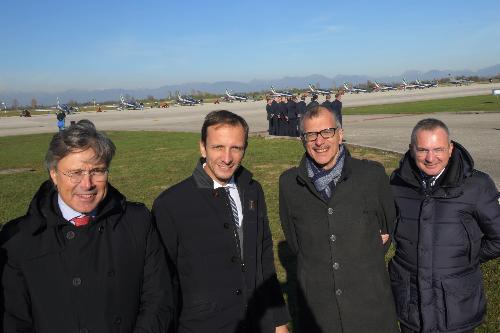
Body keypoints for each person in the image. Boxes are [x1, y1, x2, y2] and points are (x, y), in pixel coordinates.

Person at [0, 119, 173, 332]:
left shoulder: (137, 222)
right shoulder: (20, 239)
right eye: (75, 173)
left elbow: (158, 300)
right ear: (54, 174)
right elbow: (14, 321)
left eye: (97, 171)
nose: (87, 184)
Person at [152, 110, 290, 333]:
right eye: (218, 147)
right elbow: (161, 284)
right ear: (202, 147)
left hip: (258, 321)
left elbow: (264, 261)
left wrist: (279, 321)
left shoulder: (253, 191)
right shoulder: (171, 204)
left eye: (236, 148)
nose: (227, 158)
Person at [279, 105, 399, 333]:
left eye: (327, 132)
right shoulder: (289, 184)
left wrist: (356, 258)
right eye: (311, 135)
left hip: (370, 307)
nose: (319, 141)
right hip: (319, 312)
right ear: (302, 140)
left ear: (340, 134)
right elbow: (296, 242)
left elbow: (385, 230)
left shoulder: (371, 176)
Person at [389, 118, 500, 333]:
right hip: (411, 305)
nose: (431, 158)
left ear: (450, 149)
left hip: (455, 307)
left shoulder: (477, 186)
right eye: (422, 150)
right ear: (412, 150)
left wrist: (467, 257)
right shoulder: (396, 184)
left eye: (438, 149)